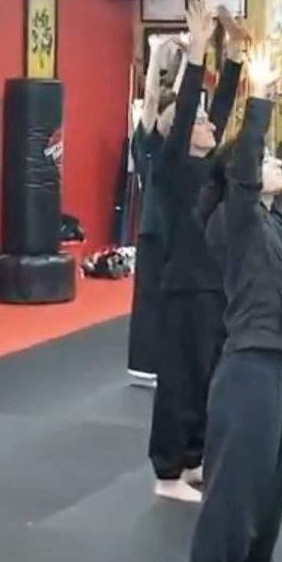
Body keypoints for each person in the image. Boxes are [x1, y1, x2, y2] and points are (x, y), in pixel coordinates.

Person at [189, 44, 282, 562]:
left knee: (271, 486)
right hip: (250, 369)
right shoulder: (235, 220)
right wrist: (261, 95)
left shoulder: (275, 216)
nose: (274, 164)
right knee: (235, 487)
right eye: (262, 161)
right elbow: (247, 164)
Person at [147, 3, 247, 504]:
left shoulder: (209, 171)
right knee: (180, 380)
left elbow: (222, 105)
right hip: (183, 289)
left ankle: (193, 461)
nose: (211, 124)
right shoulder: (170, 173)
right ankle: (166, 473)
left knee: (208, 378)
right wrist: (197, 51)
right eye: (200, 122)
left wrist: (233, 56)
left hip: (213, 289)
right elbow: (188, 107)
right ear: (183, 136)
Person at [127, 32, 181, 388]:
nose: (172, 117)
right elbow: (150, 100)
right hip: (152, 232)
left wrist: (190, 57)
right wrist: (156, 54)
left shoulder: (175, 145)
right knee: (150, 298)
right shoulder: (146, 143)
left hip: (177, 229)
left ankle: (171, 361)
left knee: (176, 298)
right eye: (168, 114)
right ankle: (144, 367)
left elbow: (181, 98)